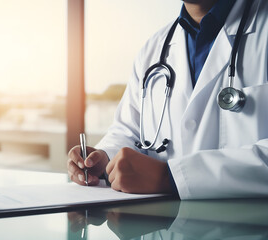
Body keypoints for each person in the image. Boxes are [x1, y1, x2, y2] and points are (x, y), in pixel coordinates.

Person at [67, 0, 268, 199]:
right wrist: (104, 159)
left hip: (253, 226)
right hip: (165, 226)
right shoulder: (154, 48)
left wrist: (170, 177)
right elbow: (128, 131)